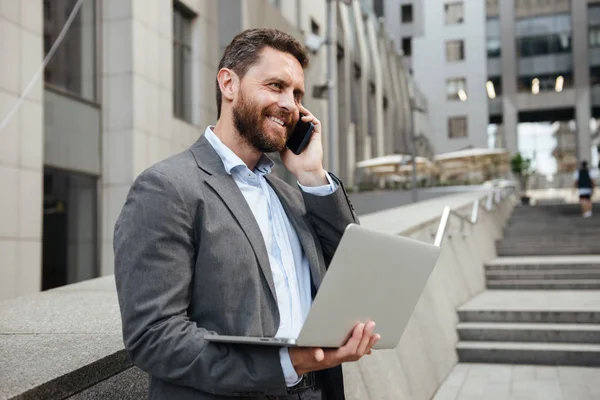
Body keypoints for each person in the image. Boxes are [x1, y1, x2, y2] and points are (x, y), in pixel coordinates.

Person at [113, 28, 380, 400]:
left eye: (297, 93)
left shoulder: (292, 195)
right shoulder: (167, 187)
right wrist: (286, 365)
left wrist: (312, 175)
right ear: (229, 84)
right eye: (275, 85)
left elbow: (351, 272)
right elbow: (154, 337)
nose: (290, 104)